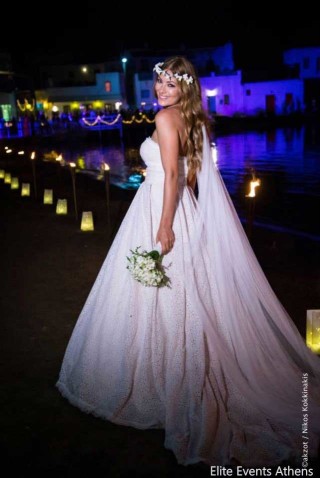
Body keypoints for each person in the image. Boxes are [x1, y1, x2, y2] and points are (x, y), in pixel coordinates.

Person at [56, 56, 320, 468]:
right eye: (160, 82)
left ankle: (158, 377)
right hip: (180, 206)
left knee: (162, 288)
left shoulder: (165, 118)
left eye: (170, 85)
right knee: (182, 289)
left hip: (162, 210)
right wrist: (164, 189)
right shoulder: (190, 119)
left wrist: (164, 225)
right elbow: (186, 173)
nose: (161, 90)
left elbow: (175, 177)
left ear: (184, 90)